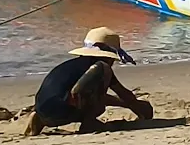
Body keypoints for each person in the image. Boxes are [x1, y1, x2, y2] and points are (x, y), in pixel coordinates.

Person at [22, 27, 153, 135]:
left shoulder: (71, 67)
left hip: (44, 112)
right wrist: (138, 106)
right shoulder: (100, 68)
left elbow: (94, 96)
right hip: (65, 112)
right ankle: (89, 123)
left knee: (83, 94)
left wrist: (128, 105)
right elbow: (121, 92)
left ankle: (39, 120)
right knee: (101, 81)